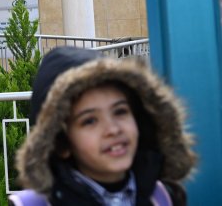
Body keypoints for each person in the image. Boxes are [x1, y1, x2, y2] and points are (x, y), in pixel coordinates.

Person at [10, 46, 196, 206]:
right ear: (61, 143)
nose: (113, 130)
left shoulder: (163, 197)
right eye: (89, 121)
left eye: (120, 112)